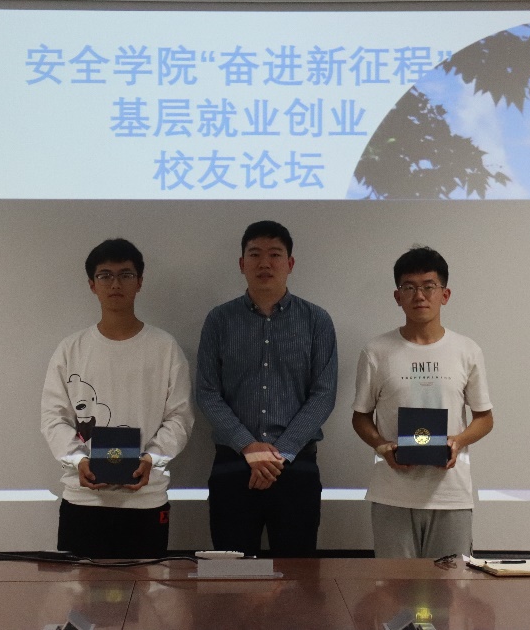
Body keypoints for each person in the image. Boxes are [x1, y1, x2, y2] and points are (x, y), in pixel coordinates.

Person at [40, 238, 194, 559]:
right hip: (83, 499)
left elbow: (179, 418)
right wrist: (78, 461)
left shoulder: (165, 348)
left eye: (125, 275)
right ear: (92, 285)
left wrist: (151, 459)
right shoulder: (71, 349)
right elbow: (54, 418)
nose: (115, 284)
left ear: (139, 282)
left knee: (147, 586)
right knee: (81, 589)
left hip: (146, 499)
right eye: (105, 276)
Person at [196, 220, 338, 557]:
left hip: (296, 466)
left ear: (290, 263)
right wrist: (249, 446)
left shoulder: (316, 321)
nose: (265, 263)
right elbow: (207, 392)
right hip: (233, 464)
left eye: (275, 254)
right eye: (255, 254)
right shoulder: (219, 320)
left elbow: (323, 395)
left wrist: (279, 454)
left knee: (297, 574)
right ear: (241, 263)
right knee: (231, 574)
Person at [352, 246, 494, 559]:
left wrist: (457, 441)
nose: (419, 296)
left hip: (451, 495)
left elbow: (485, 418)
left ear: (445, 294)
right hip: (392, 494)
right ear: (397, 296)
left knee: (450, 586)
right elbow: (360, 417)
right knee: (395, 586)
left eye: (429, 286)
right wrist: (382, 446)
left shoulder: (467, 350)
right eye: (409, 288)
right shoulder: (376, 351)